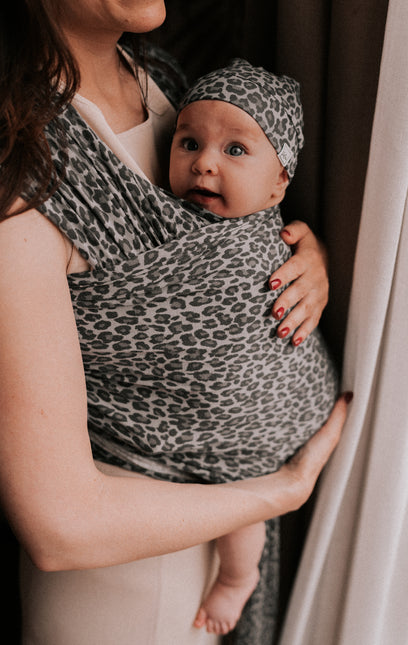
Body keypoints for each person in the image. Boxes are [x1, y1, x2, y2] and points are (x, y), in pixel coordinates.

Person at [0, 2, 351, 644]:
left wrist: (301, 257)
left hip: (214, 537)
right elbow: (60, 524)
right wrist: (283, 489)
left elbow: (228, 233)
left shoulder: (160, 73)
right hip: (125, 581)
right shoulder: (20, 160)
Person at [168, 59, 338, 635]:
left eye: (235, 150)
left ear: (279, 184)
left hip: (266, 422)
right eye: (188, 142)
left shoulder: (277, 235)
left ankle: (238, 578)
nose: (205, 162)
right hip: (237, 415)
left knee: (240, 494)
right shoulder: (170, 219)